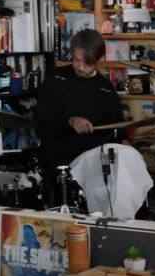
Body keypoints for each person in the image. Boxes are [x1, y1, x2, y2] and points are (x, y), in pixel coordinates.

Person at [35, 28, 125, 205]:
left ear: (99, 60)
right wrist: (70, 121)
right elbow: (40, 124)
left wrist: (124, 140)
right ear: (72, 53)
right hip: (57, 163)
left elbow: (116, 132)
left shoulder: (105, 88)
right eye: (77, 61)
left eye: (88, 63)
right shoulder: (56, 78)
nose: (81, 68)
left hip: (93, 168)